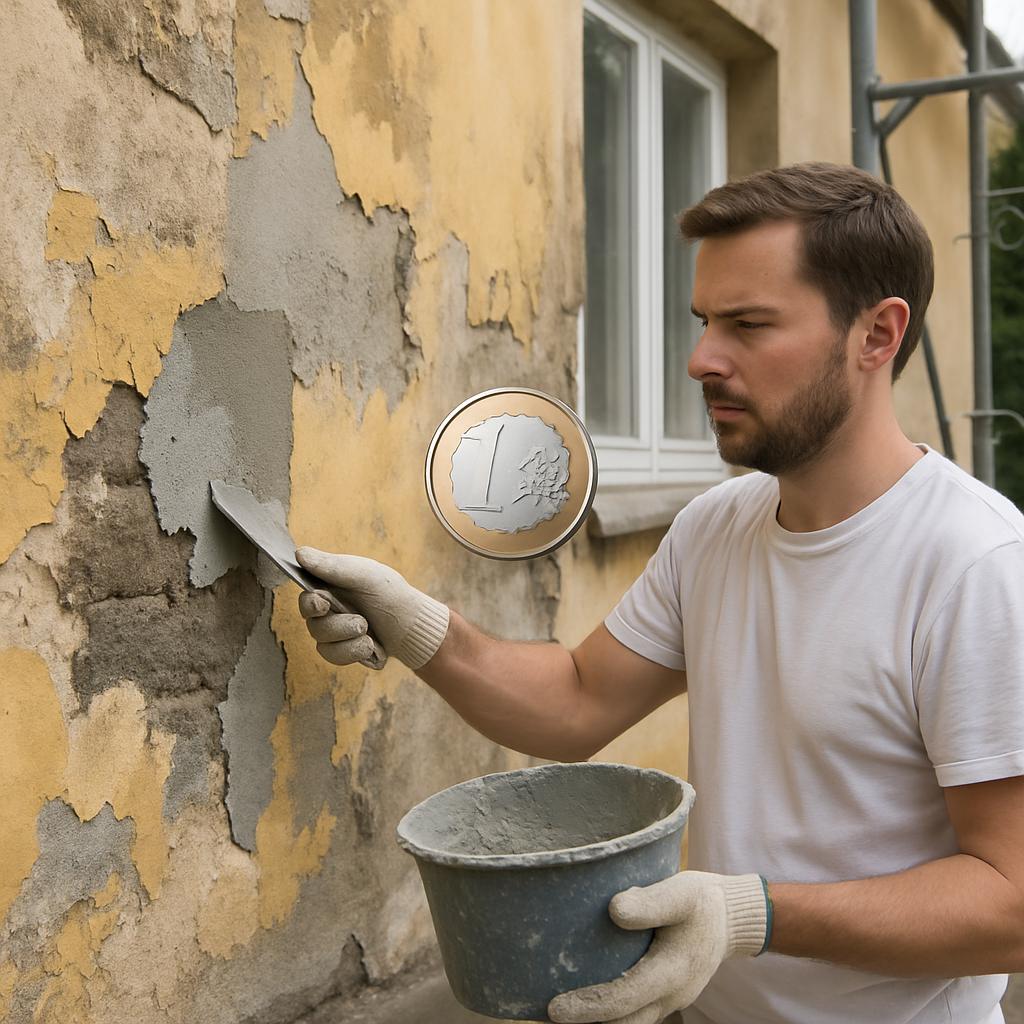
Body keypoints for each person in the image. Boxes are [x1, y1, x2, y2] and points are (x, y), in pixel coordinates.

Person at [295, 162, 1024, 1024]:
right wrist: (415, 624)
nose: (701, 360)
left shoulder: (976, 566)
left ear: (877, 335)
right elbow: (575, 700)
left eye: (748, 325)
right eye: (705, 321)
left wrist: (746, 914)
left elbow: (1009, 903)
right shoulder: (717, 526)